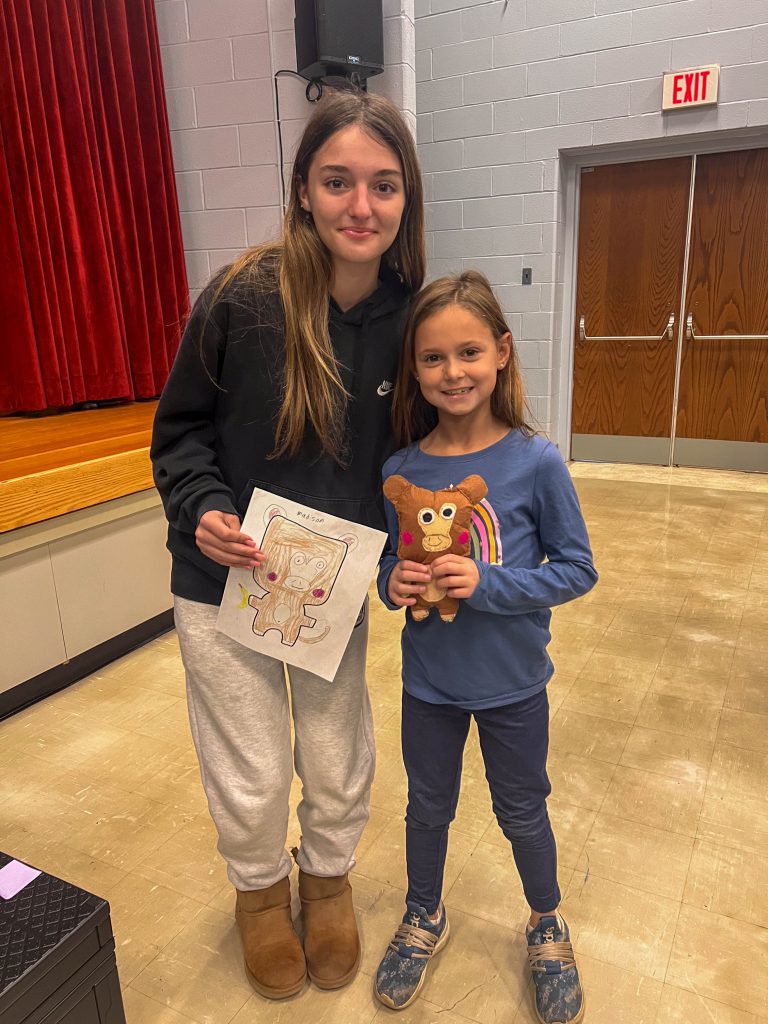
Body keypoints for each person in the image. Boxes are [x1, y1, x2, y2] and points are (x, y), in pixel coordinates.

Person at [150, 87, 425, 1001]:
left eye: (383, 186)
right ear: (302, 188)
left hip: (329, 588)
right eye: (337, 180)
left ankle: (329, 877)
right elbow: (181, 431)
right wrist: (202, 510)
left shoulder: (409, 321)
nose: (361, 205)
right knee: (252, 760)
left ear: (405, 199)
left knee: (338, 747)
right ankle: (261, 895)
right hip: (223, 579)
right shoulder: (242, 298)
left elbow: (423, 459)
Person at [373, 271, 597, 1024]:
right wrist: (392, 584)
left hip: (511, 683)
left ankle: (546, 922)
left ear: (501, 352)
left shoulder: (536, 461)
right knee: (426, 807)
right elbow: (385, 566)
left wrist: (488, 584)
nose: (453, 372)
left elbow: (577, 569)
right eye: (432, 359)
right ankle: (423, 913)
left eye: (469, 351)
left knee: (523, 809)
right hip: (428, 683)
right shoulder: (401, 470)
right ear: (414, 368)